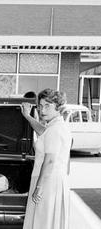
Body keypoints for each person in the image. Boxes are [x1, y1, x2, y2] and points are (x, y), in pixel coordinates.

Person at [21, 89, 71, 229]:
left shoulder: (55, 129)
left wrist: (39, 186)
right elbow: (42, 131)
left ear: (58, 107)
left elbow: (50, 161)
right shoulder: (56, 126)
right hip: (53, 180)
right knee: (47, 222)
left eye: (47, 106)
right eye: (40, 106)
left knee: (43, 222)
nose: (42, 110)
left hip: (48, 182)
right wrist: (27, 116)